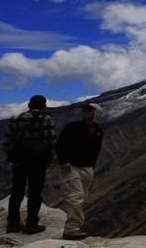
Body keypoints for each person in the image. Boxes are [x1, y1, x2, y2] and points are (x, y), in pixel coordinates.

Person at [4, 95, 56, 234]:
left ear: (29, 105)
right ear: (44, 106)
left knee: (17, 192)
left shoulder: (16, 119)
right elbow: (51, 141)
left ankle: (13, 224)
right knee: (35, 192)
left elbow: (8, 142)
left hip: (19, 161)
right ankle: (31, 224)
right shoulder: (46, 119)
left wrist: (12, 157)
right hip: (38, 162)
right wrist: (49, 159)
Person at [57, 103, 104, 240]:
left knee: (83, 197)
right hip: (71, 167)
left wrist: (92, 166)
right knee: (76, 196)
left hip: (87, 167)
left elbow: (96, 150)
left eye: (89, 109)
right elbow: (61, 144)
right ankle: (71, 229)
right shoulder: (72, 127)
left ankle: (73, 225)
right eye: (85, 109)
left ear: (96, 113)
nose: (85, 111)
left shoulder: (98, 130)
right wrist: (64, 161)